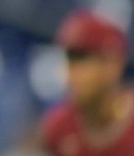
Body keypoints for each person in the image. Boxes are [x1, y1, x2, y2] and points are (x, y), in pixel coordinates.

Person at [38, 9, 134, 156]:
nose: (70, 76)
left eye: (82, 60)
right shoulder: (59, 127)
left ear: (113, 65)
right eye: (69, 62)